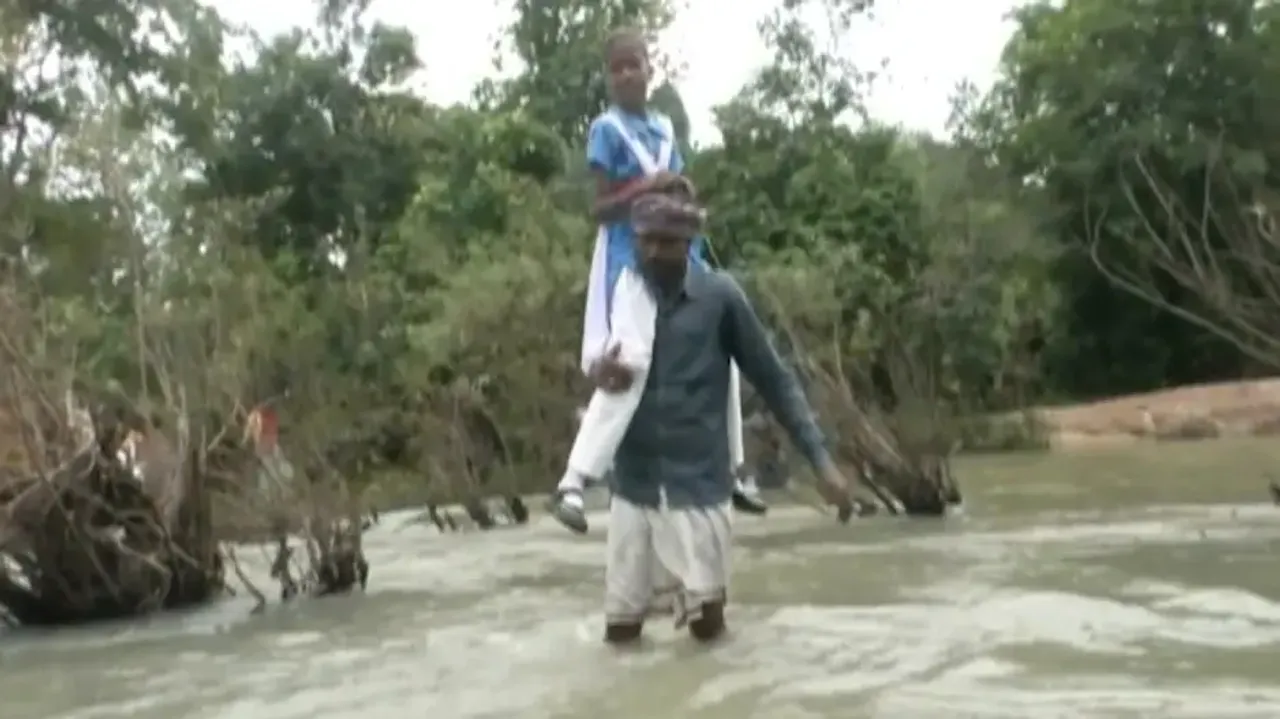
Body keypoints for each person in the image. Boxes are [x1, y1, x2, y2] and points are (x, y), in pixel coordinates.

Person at [590, 190, 854, 645]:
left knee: (708, 633)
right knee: (620, 633)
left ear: (690, 241)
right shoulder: (624, 292)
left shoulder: (720, 298)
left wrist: (822, 462)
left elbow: (776, 380)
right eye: (645, 240)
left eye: (666, 242)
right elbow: (595, 367)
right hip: (634, 487)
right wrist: (600, 371)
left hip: (698, 488)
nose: (653, 252)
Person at [548, 26, 766, 534]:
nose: (627, 73)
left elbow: (681, 190)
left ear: (650, 70)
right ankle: (574, 481)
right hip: (632, 258)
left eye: (635, 64)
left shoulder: (666, 129)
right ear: (609, 76)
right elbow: (601, 209)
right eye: (617, 66)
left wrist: (682, 192)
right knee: (631, 362)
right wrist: (645, 186)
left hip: (683, 256)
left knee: (724, 355)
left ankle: (732, 469)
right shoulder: (607, 130)